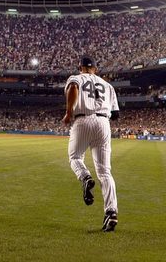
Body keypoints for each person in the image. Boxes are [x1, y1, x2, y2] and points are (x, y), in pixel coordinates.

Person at [62, 55, 120, 232]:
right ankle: (111, 212)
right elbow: (116, 114)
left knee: (75, 157)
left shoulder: (76, 78)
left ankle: (85, 176)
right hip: (103, 123)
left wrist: (68, 112)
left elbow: (73, 88)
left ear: (80, 67)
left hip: (83, 120)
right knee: (105, 172)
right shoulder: (107, 85)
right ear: (95, 68)